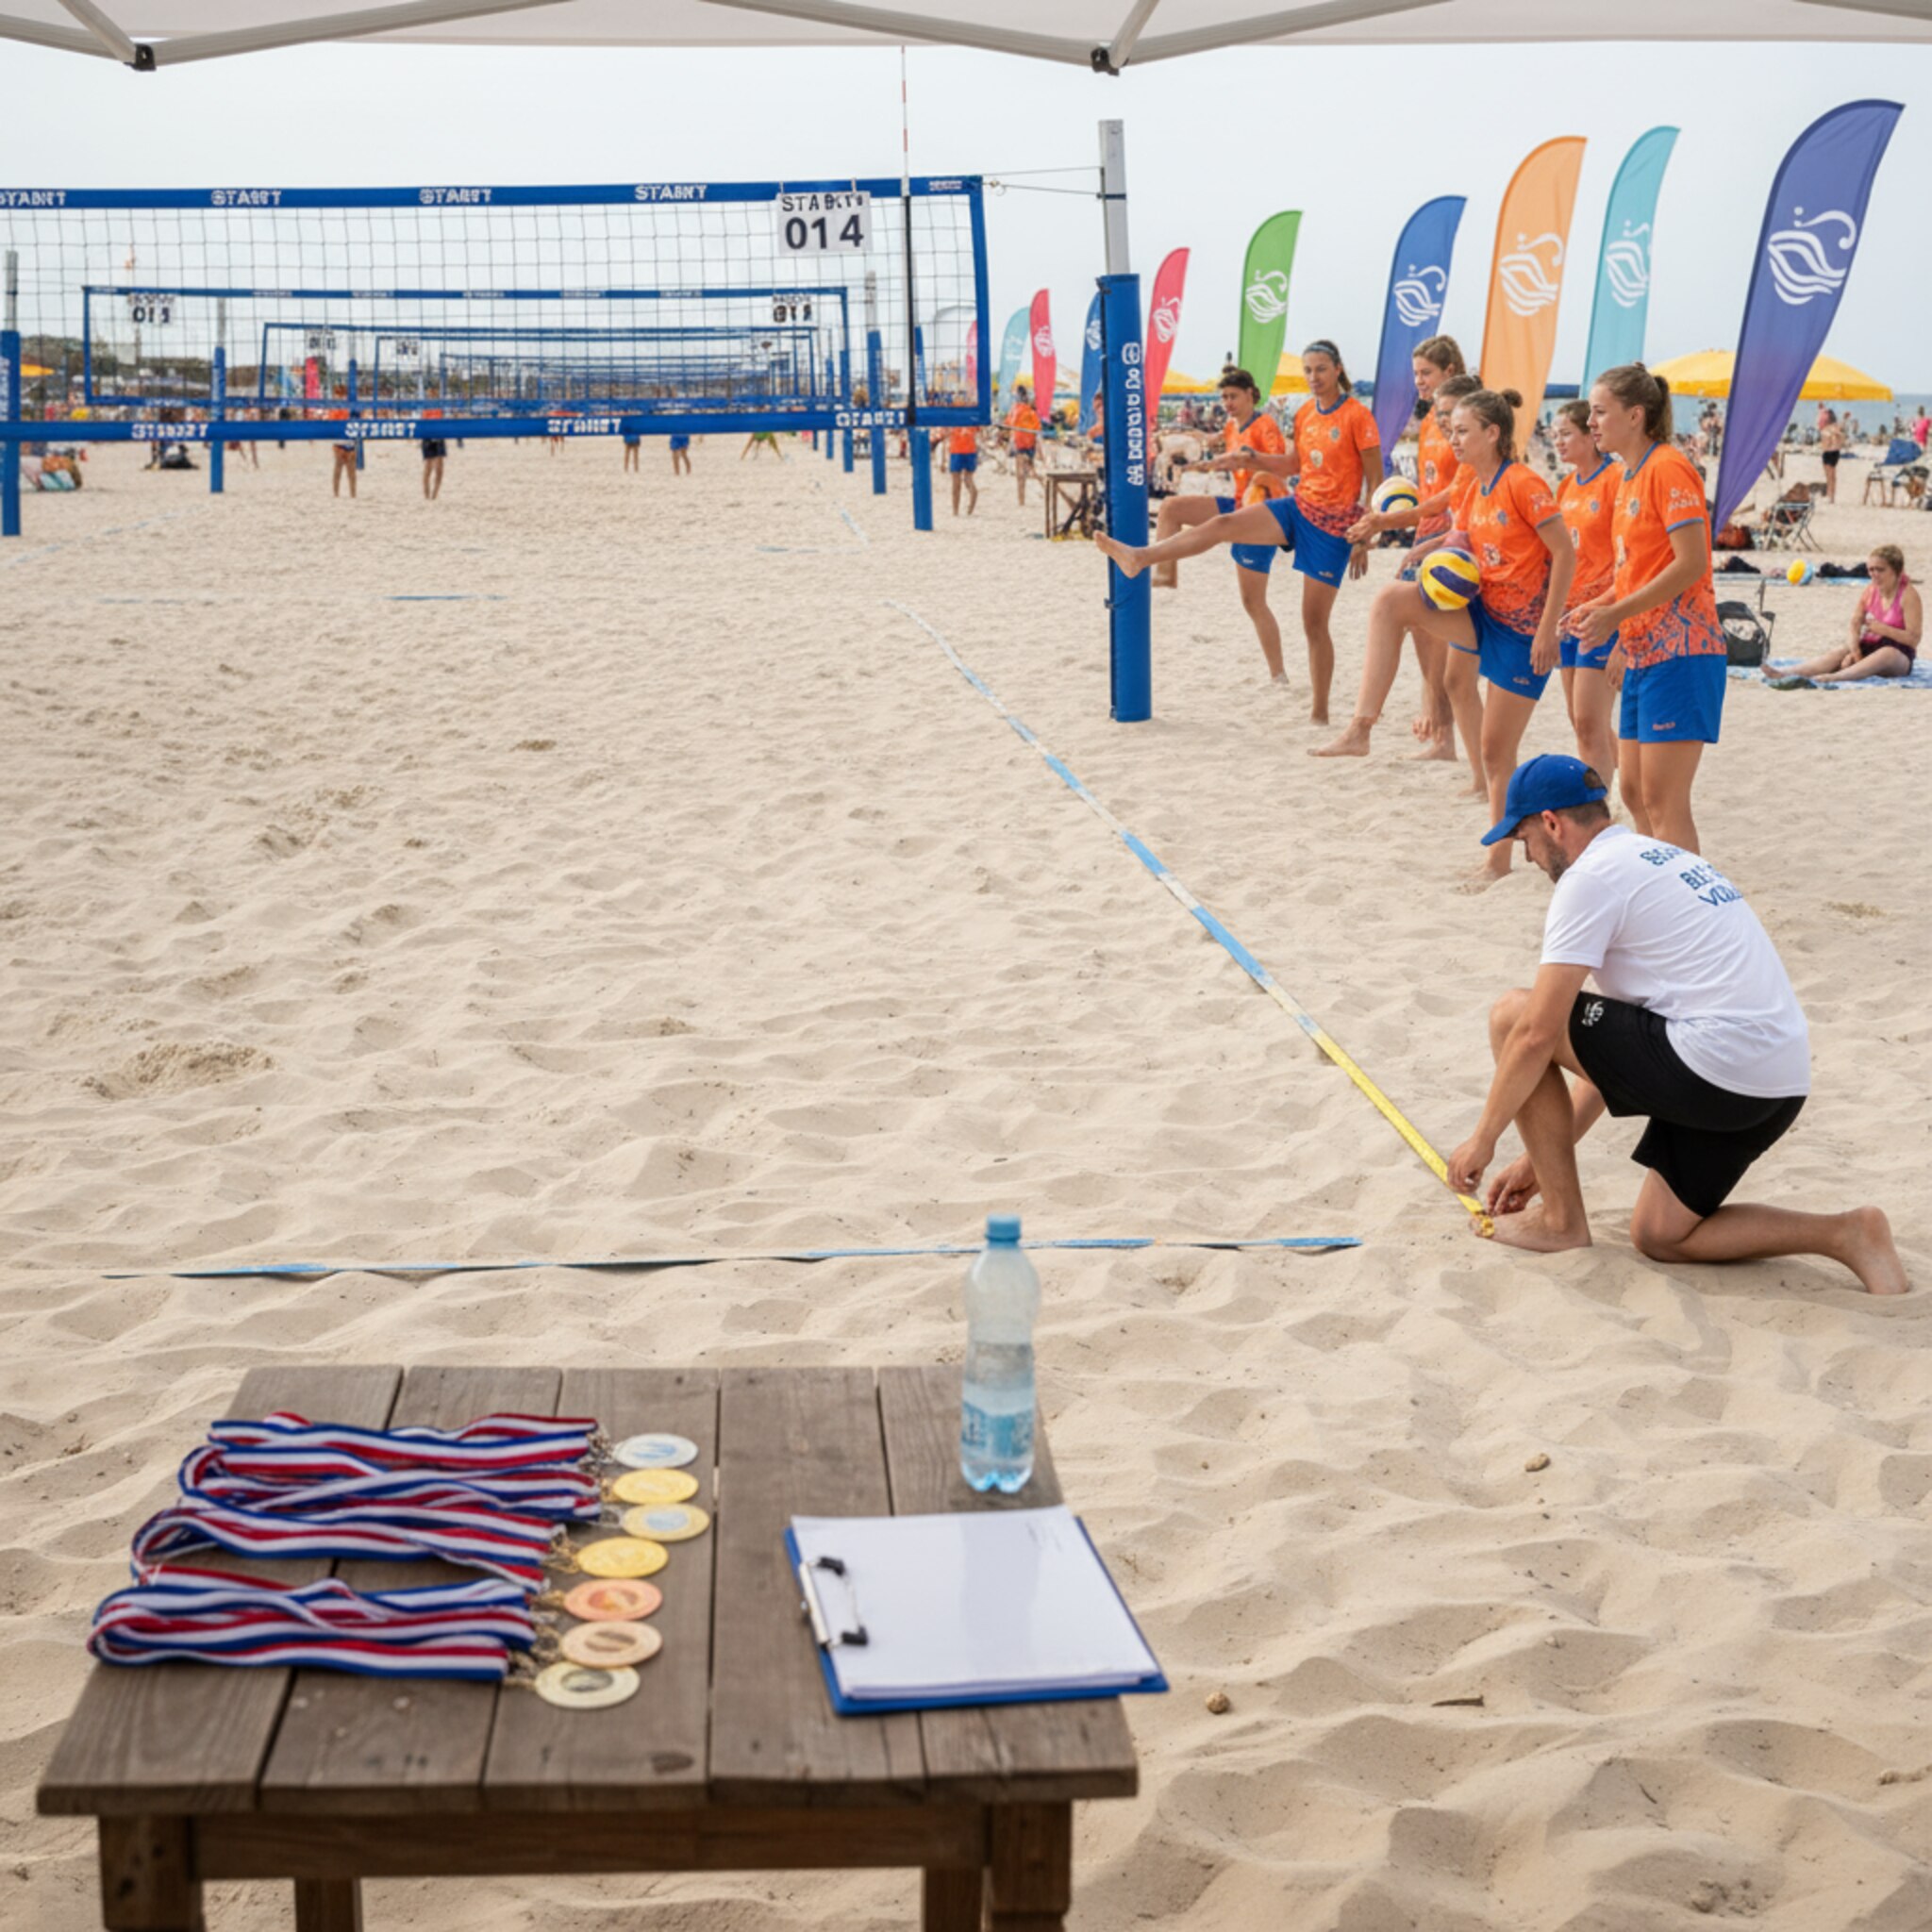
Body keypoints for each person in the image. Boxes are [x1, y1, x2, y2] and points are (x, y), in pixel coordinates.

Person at [1447, 755, 1906, 1293]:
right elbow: (1613, 1056)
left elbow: (1535, 1034)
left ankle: (1560, 1223)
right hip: (1775, 1084)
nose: (1526, 857)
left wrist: (1484, 1139)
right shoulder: (1655, 856)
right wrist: (1537, 1160)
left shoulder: (1590, 877)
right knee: (1662, 1234)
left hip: (1714, 1065)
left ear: (1552, 823)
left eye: (1523, 837)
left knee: (1512, 1014)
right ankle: (1849, 1234)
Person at [1318, 389, 1574, 890]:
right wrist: (1417, 543)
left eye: (1461, 430)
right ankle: (1361, 728)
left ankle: (1497, 863)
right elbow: (1457, 526)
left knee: (1498, 752)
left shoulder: (1523, 482)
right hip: (1483, 611)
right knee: (1391, 601)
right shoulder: (1469, 482)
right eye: (1450, 430)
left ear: (1492, 433)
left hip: (1524, 632)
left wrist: (1549, 630)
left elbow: (1564, 554)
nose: (1451, 439)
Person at [1099, 341, 1379, 723]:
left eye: (1321, 369)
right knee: (1221, 525)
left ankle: (1320, 714)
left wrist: (1365, 534)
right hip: (1297, 506)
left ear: (1338, 369)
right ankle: (1141, 558)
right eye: (1309, 370)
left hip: (1334, 526)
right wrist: (1250, 459)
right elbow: (1292, 464)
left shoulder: (1358, 415)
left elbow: (1375, 480)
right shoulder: (1303, 414)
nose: (1314, 377)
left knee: (1313, 623)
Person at [1575, 363, 1727, 856]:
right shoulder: (1628, 476)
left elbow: (1691, 564)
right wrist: (1594, 608)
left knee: (1664, 801)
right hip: (1643, 653)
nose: (1591, 421)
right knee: (1634, 793)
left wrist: (1616, 616)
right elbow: (1632, 575)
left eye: (1600, 412)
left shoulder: (1668, 467)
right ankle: (1659, 899)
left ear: (1635, 415)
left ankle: (1688, 915)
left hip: (1683, 651)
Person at [1312, 374, 1484, 781]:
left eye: (1457, 422)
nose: (1448, 428)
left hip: (1496, 596)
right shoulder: (1466, 463)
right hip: (1446, 551)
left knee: (1452, 674)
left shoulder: (1505, 475)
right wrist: (1432, 540)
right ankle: (1463, 764)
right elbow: (1460, 513)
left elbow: (1548, 545)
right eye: (1444, 418)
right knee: (1450, 675)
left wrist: (1387, 520)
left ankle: (1392, 731)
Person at [1147, 368, 1294, 688]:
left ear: (1250, 395)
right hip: (1237, 504)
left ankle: (1278, 674)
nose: (1227, 402)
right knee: (1171, 507)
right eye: (1223, 397)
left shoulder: (1265, 424)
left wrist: (1243, 460)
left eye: (1233, 396)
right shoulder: (1230, 426)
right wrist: (1194, 445)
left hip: (1261, 513)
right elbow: (1217, 446)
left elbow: (1279, 462)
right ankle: (1163, 583)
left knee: (1253, 602)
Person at [1552, 400, 1618, 785]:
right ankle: (1625, 783)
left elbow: (1630, 558)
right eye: (1554, 435)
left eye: (1565, 434)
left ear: (1589, 436)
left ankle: (1599, 808)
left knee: (1591, 723)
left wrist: (1620, 620)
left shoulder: (1614, 481)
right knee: (1580, 721)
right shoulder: (1566, 485)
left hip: (1601, 615)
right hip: (1570, 614)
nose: (1557, 443)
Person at [1772, 544, 1922, 684]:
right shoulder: (1870, 591)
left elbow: (1913, 639)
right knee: (1840, 652)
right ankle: (1787, 673)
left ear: (1896, 571)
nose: (1874, 574)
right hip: (1869, 646)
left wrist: (1884, 630)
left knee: (1887, 654)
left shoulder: (1908, 596)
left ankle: (1837, 677)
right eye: (1871, 570)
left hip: (1898, 655)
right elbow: (1855, 623)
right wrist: (1855, 651)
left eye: (1880, 570)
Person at [1006, 385, 1041, 504]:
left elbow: (1009, 423)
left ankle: (1021, 499)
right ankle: (1024, 498)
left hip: (1019, 442)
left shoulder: (1015, 409)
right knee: (1028, 471)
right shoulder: (1030, 411)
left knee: (1020, 474)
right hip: (1030, 443)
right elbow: (1037, 429)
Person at [947, 421, 980, 515]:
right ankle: (970, 504)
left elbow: (947, 434)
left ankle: (955, 511)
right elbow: (979, 431)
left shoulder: (953, 413)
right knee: (968, 479)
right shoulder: (973, 411)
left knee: (955, 483)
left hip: (956, 449)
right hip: (970, 449)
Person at [329, 410, 358, 499]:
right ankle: (336, 494)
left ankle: (351, 494)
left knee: (350, 474)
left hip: (349, 447)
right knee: (339, 473)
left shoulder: (352, 414)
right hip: (340, 446)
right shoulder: (335, 414)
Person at [420, 414, 446, 501]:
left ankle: (434, 496)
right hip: (428, 433)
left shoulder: (442, 403)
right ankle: (427, 497)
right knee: (428, 467)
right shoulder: (425, 404)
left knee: (439, 469)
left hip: (439, 432)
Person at [1820, 413, 1845, 503]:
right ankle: (1829, 494)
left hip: (1833, 452)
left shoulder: (1835, 427)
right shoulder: (1824, 428)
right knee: (1828, 475)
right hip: (1826, 452)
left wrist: (1844, 418)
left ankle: (1832, 496)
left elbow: (1840, 429)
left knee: (1831, 476)